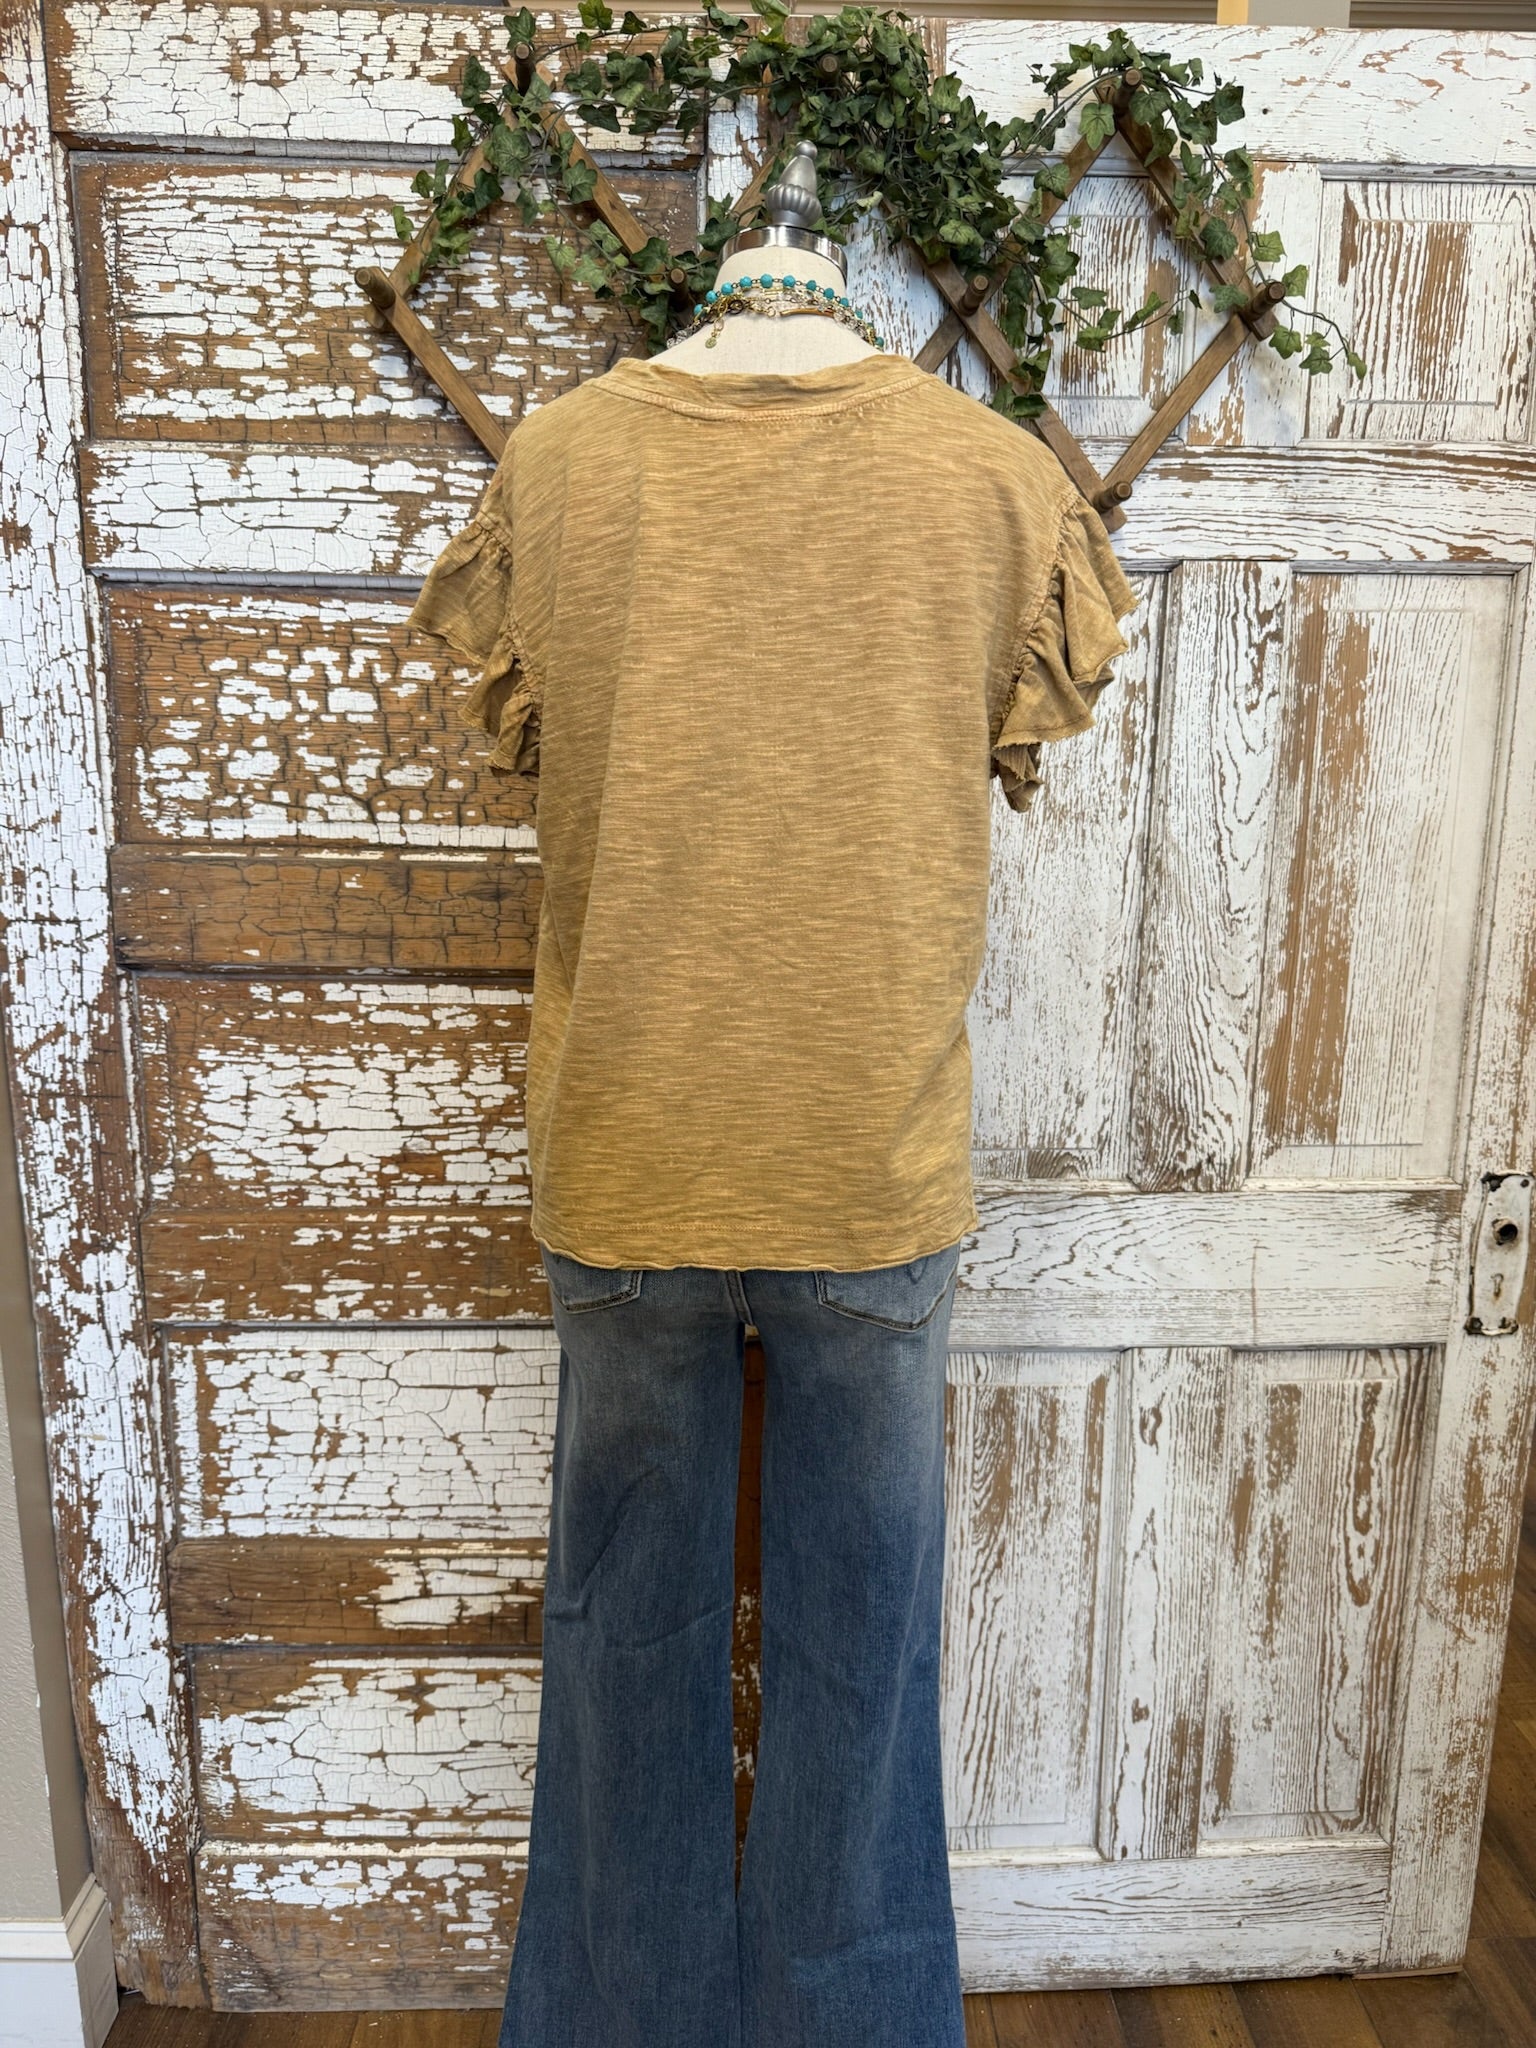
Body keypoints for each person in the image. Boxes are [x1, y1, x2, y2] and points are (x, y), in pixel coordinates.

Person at [407, 149, 1137, 2048]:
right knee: (860, 1665)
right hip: (864, 1161)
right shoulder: (994, 484)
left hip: (637, 1155)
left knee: (624, 1651)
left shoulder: (560, 469)